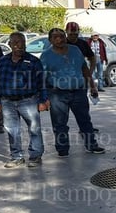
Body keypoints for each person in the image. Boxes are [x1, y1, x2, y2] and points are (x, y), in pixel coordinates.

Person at [40, 28, 105, 156]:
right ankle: (62, 149)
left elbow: (84, 68)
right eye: (55, 37)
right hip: (57, 93)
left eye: (61, 36)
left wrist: (92, 86)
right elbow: (42, 78)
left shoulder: (75, 50)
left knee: (85, 120)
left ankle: (92, 145)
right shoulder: (46, 56)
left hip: (78, 91)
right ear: (50, 40)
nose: (59, 39)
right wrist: (44, 97)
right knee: (59, 123)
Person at [0, 32, 49, 168]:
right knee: (12, 130)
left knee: (34, 129)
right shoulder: (3, 61)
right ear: (10, 45)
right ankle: (16, 156)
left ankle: (35, 156)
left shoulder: (34, 61)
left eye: (22, 42)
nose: (19, 45)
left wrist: (43, 100)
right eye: (16, 42)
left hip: (28, 101)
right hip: (7, 102)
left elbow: (42, 82)